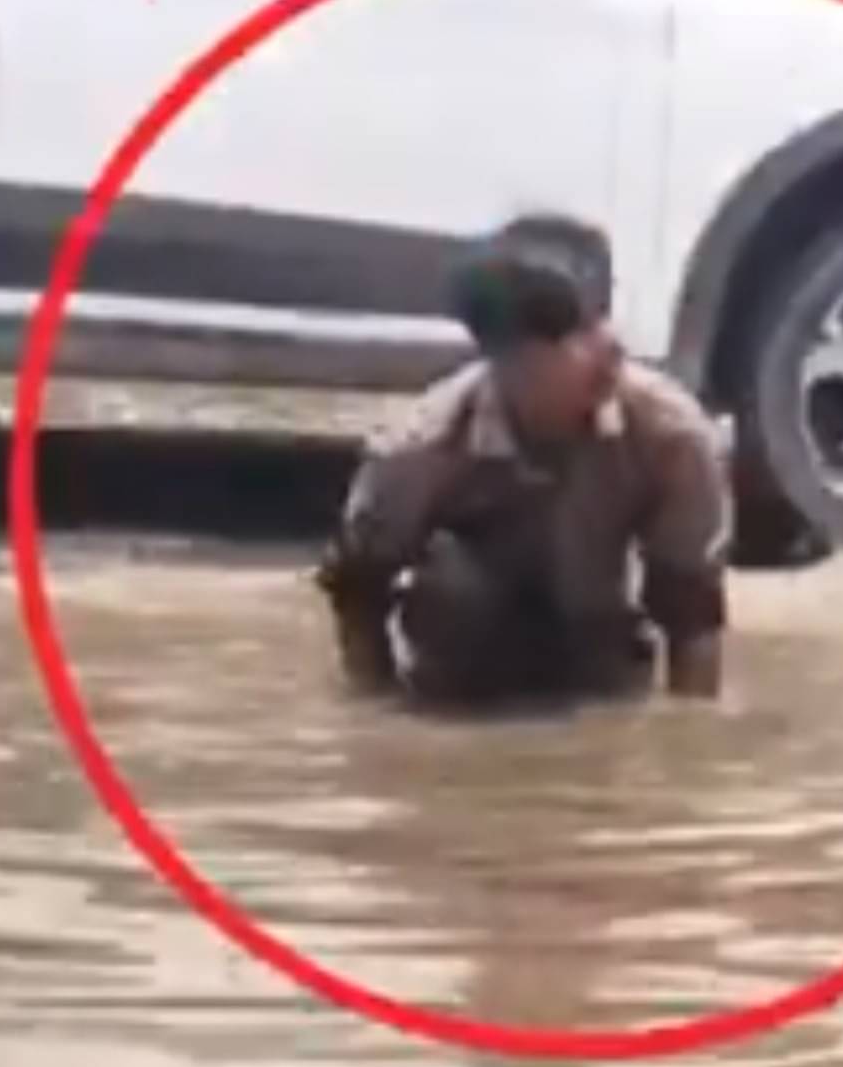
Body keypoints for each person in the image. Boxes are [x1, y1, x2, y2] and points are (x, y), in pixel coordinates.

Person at [314, 214, 734, 709]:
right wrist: (379, 711)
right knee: (457, 590)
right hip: (465, 662)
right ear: (507, 357)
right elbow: (357, 594)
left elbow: (693, 615)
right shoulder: (420, 450)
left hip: (598, 645)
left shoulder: (673, 436)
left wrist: (688, 735)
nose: (610, 347)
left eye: (603, 317)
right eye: (574, 334)